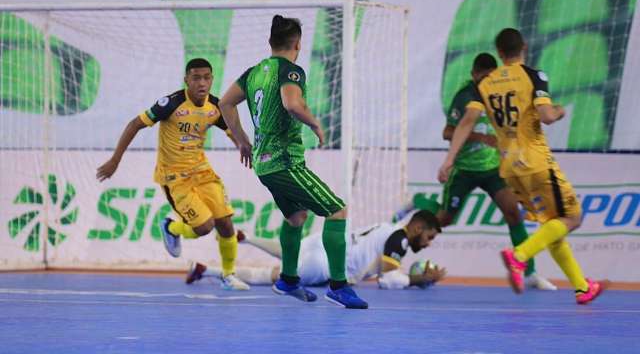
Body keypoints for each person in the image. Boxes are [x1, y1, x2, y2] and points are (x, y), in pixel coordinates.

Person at [438, 28, 606, 304]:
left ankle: (581, 286)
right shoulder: (533, 75)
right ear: (523, 47)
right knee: (571, 218)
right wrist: (561, 110)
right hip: (536, 161)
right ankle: (520, 256)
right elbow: (547, 116)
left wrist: (448, 160)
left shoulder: (485, 83)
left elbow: (467, 121)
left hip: (508, 167)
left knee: (554, 225)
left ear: (500, 52)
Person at [219, 15, 367, 308]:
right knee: (337, 211)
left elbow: (224, 103)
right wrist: (315, 124)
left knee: (296, 217)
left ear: (270, 42)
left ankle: (288, 279)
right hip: (284, 162)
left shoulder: (253, 73)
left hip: (263, 163)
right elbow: (291, 103)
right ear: (298, 44)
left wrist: (242, 140)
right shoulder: (291, 71)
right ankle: (338, 286)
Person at [96, 58, 249, 291]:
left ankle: (228, 275)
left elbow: (233, 131)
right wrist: (115, 160)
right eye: (196, 77)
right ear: (186, 79)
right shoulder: (171, 103)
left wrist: (244, 145)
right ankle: (171, 227)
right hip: (174, 178)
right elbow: (134, 124)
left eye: (206, 77)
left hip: (202, 171)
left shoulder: (216, 107)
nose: (202, 83)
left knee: (226, 224)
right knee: (204, 227)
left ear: (212, 79)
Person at [438, 52, 555, 291]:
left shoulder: (500, 92)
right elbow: (447, 133)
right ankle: (413, 212)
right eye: (481, 78)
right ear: (473, 75)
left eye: (489, 78)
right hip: (465, 169)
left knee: (513, 213)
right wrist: (479, 137)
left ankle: (529, 272)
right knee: (444, 219)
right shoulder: (465, 96)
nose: (485, 83)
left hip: (494, 169)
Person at [186, 207, 445, 290]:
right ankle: (208, 270)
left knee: (288, 251)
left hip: (325, 240)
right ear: (418, 228)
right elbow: (387, 278)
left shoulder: (391, 227)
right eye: (429, 237)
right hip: (327, 264)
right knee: (272, 275)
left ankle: (247, 238)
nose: (428, 243)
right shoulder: (400, 241)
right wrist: (417, 279)